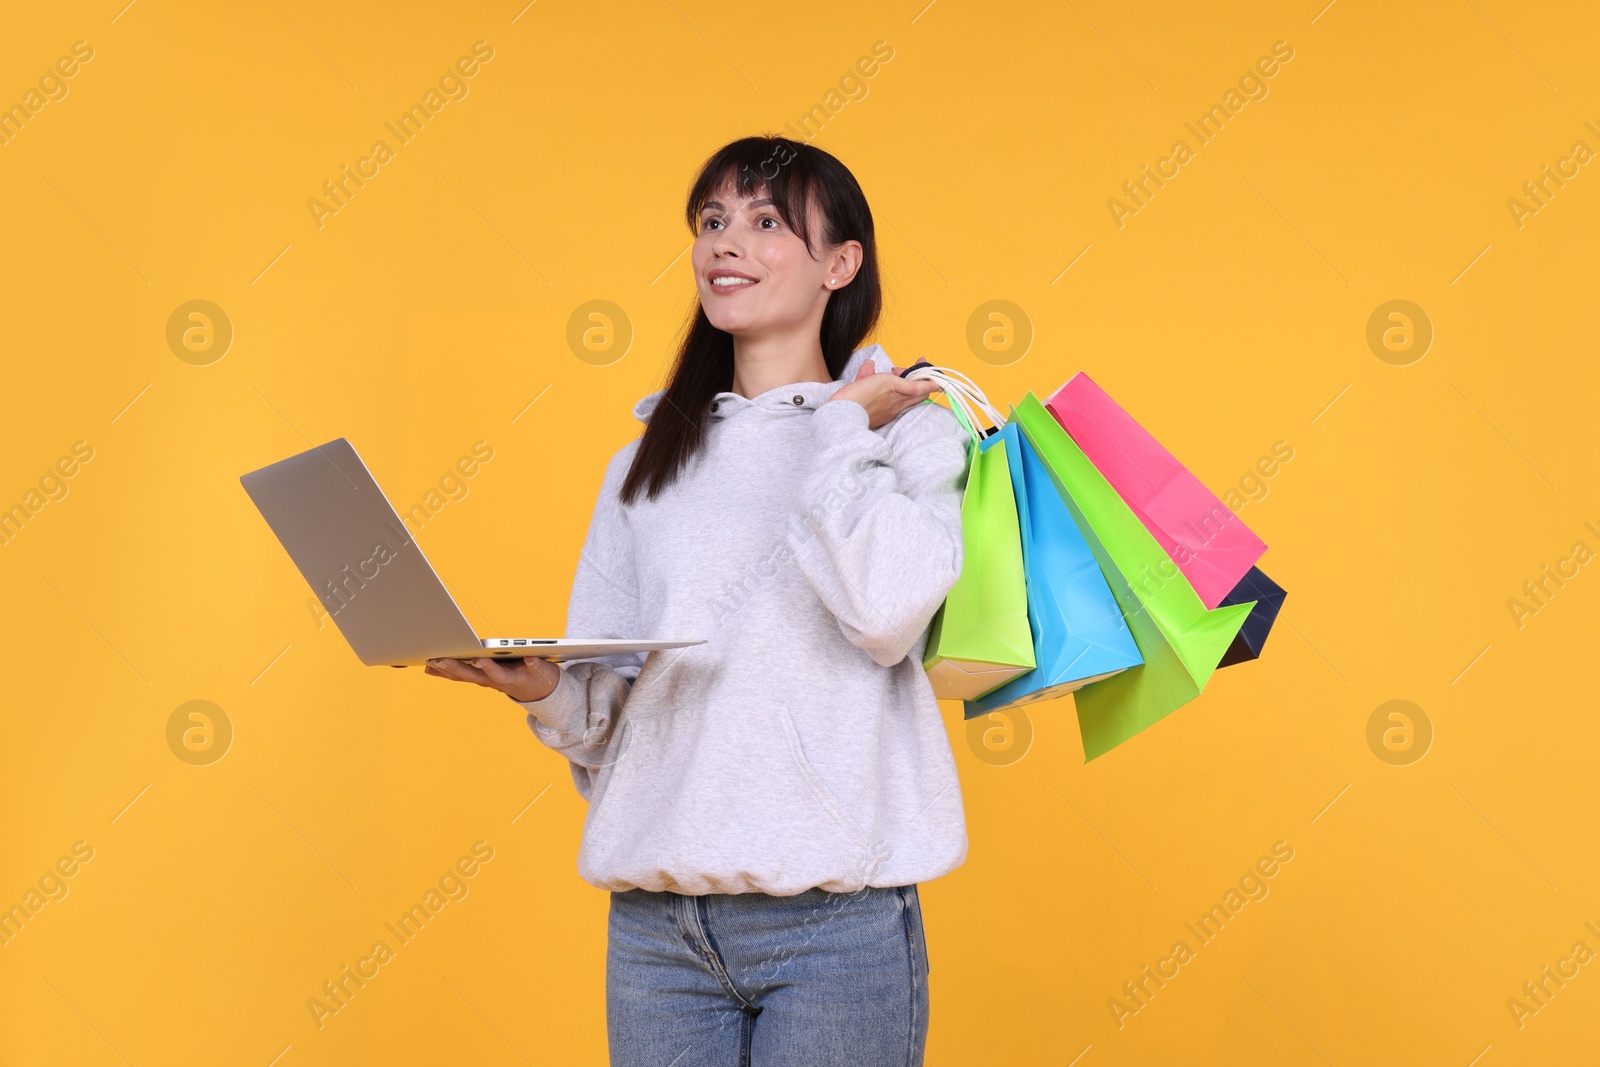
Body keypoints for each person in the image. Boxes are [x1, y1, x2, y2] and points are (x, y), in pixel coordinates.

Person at [424, 134, 970, 1066]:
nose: (726, 242)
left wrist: (841, 424)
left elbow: (885, 618)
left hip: (834, 927)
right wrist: (543, 692)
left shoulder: (910, 433)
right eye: (712, 221)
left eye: (765, 223)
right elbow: (620, 727)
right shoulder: (644, 465)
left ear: (843, 264)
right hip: (656, 935)